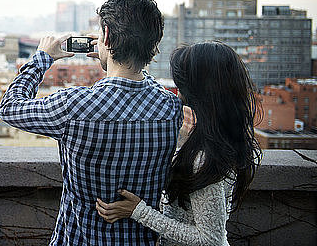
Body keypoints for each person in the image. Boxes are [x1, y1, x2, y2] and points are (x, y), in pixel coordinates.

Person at [0, 0, 183, 245]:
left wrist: (43, 58)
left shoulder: (73, 106)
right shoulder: (170, 109)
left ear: (105, 37)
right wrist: (116, 55)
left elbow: (10, 107)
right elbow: (142, 88)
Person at [95, 41, 262, 246]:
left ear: (197, 89)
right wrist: (113, 65)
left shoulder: (204, 157)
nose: (176, 87)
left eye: (180, 81)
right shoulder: (216, 140)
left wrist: (139, 211)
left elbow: (210, 239)